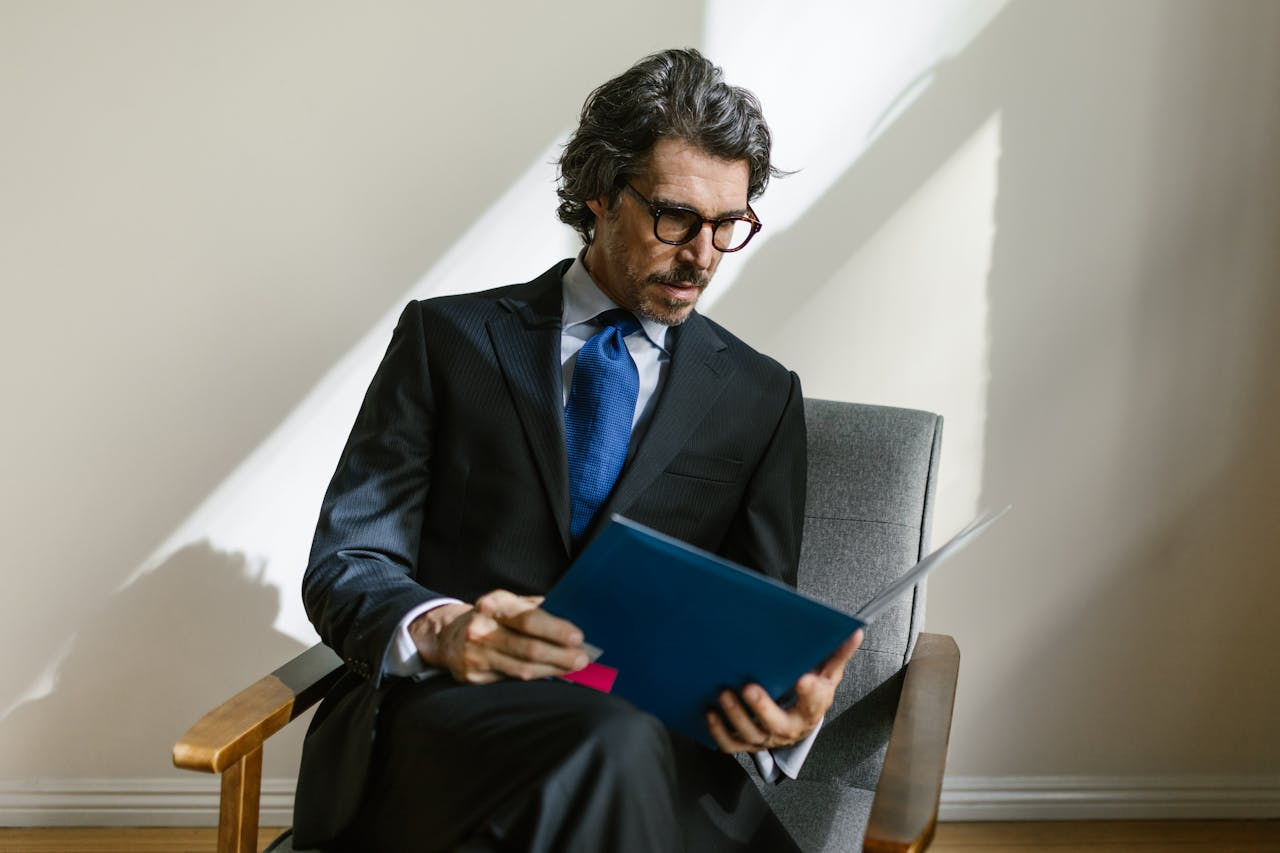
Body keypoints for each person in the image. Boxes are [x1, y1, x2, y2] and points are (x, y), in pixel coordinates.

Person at [293, 48, 862, 852]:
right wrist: (446, 628)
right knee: (608, 748)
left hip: (658, 744)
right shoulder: (448, 338)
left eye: (728, 225)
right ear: (599, 193)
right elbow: (349, 559)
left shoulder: (763, 397)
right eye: (675, 217)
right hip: (457, 720)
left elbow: (755, 615)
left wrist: (785, 707)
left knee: (621, 743)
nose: (702, 254)